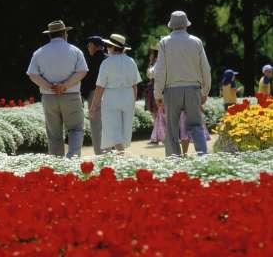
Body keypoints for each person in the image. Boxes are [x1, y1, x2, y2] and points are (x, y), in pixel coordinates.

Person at [27, 20, 88, 158]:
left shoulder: (39, 53)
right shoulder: (75, 50)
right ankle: (72, 158)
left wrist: (50, 86)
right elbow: (82, 71)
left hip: (49, 97)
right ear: (65, 33)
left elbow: (32, 74)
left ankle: (56, 164)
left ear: (50, 35)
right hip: (71, 95)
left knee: (54, 133)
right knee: (76, 130)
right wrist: (64, 85)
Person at [154, 11, 211, 156]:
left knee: (172, 129)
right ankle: (202, 156)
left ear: (171, 25)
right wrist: (205, 91)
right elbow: (206, 68)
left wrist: (157, 93)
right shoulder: (196, 41)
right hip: (193, 89)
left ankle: (174, 159)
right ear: (186, 24)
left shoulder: (164, 42)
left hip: (171, 90)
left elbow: (160, 71)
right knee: (196, 125)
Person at [90, 34, 141, 153]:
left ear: (112, 47)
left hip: (112, 96)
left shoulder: (106, 62)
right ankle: (117, 155)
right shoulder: (131, 61)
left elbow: (100, 87)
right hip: (128, 95)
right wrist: (133, 100)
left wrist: (93, 106)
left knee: (112, 129)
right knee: (124, 129)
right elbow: (135, 85)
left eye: (108, 45)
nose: (107, 48)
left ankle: (120, 156)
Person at [80, 36, 107, 155]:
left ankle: (100, 155)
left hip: (95, 94)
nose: (88, 48)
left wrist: (82, 95)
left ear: (94, 46)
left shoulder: (92, 61)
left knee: (96, 128)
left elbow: (88, 81)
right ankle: (109, 153)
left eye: (89, 45)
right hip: (110, 95)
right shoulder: (108, 59)